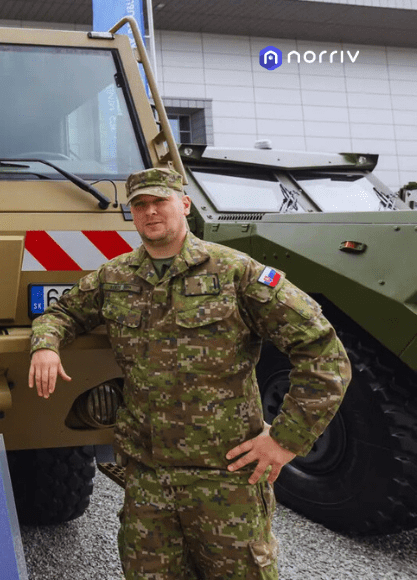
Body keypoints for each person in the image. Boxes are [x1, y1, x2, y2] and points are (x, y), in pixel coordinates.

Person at [29, 167, 351, 579]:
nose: (150, 212)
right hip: (147, 478)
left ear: (183, 204)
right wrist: (46, 346)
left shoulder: (236, 273)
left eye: (159, 201)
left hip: (225, 477)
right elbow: (60, 312)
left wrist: (285, 440)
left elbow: (323, 351)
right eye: (140, 205)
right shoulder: (115, 277)